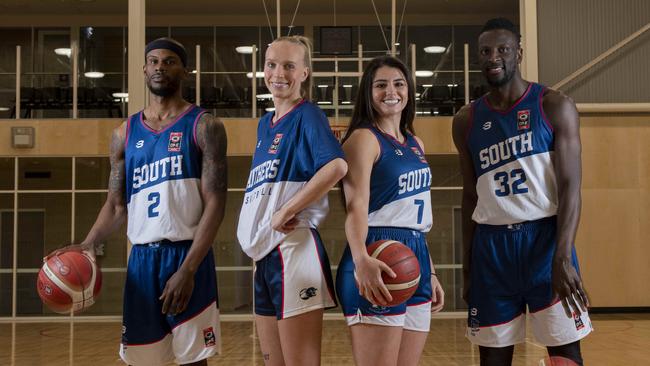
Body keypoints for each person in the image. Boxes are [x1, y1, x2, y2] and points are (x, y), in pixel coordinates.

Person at [54, 38, 228, 365]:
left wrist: (188, 269)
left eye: (169, 61)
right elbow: (116, 206)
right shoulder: (124, 133)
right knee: (143, 360)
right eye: (153, 61)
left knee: (193, 360)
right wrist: (87, 245)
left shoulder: (205, 126)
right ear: (144, 70)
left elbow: (216, 204)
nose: (160, 66)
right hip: (141, 261)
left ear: (185, 71)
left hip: (186, 255)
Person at [452, 18, 592, 366]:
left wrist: (562, 255)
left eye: (503, 49)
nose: (493, 57)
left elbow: (571, 188)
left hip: (544, 242)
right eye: (485, 51)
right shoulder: (467, 120)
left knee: (565, 356)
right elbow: (470, 196)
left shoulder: (554, 105)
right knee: (493, 359)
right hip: (492, 247)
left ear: (519, 53)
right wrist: (468, 268)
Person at [236, 35, 347, 366]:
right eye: (271, 65)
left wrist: (288, 208)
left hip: (293, 249)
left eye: (288, 66)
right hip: (265, 254)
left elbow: (337, 166)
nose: (278, 73)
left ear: (304, 73)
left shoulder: (308, 115)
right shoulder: (263, 124)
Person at [335, 56, 445, 366]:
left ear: (409, 89)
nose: (390, 91)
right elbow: (355, 207)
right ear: (367, 94)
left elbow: (414, 214)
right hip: (376, 250)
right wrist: (361, 261)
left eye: (398, 84)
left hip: (416, 253)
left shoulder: (416, 143)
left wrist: (431, 270)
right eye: (380, 85)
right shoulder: (363, 139)